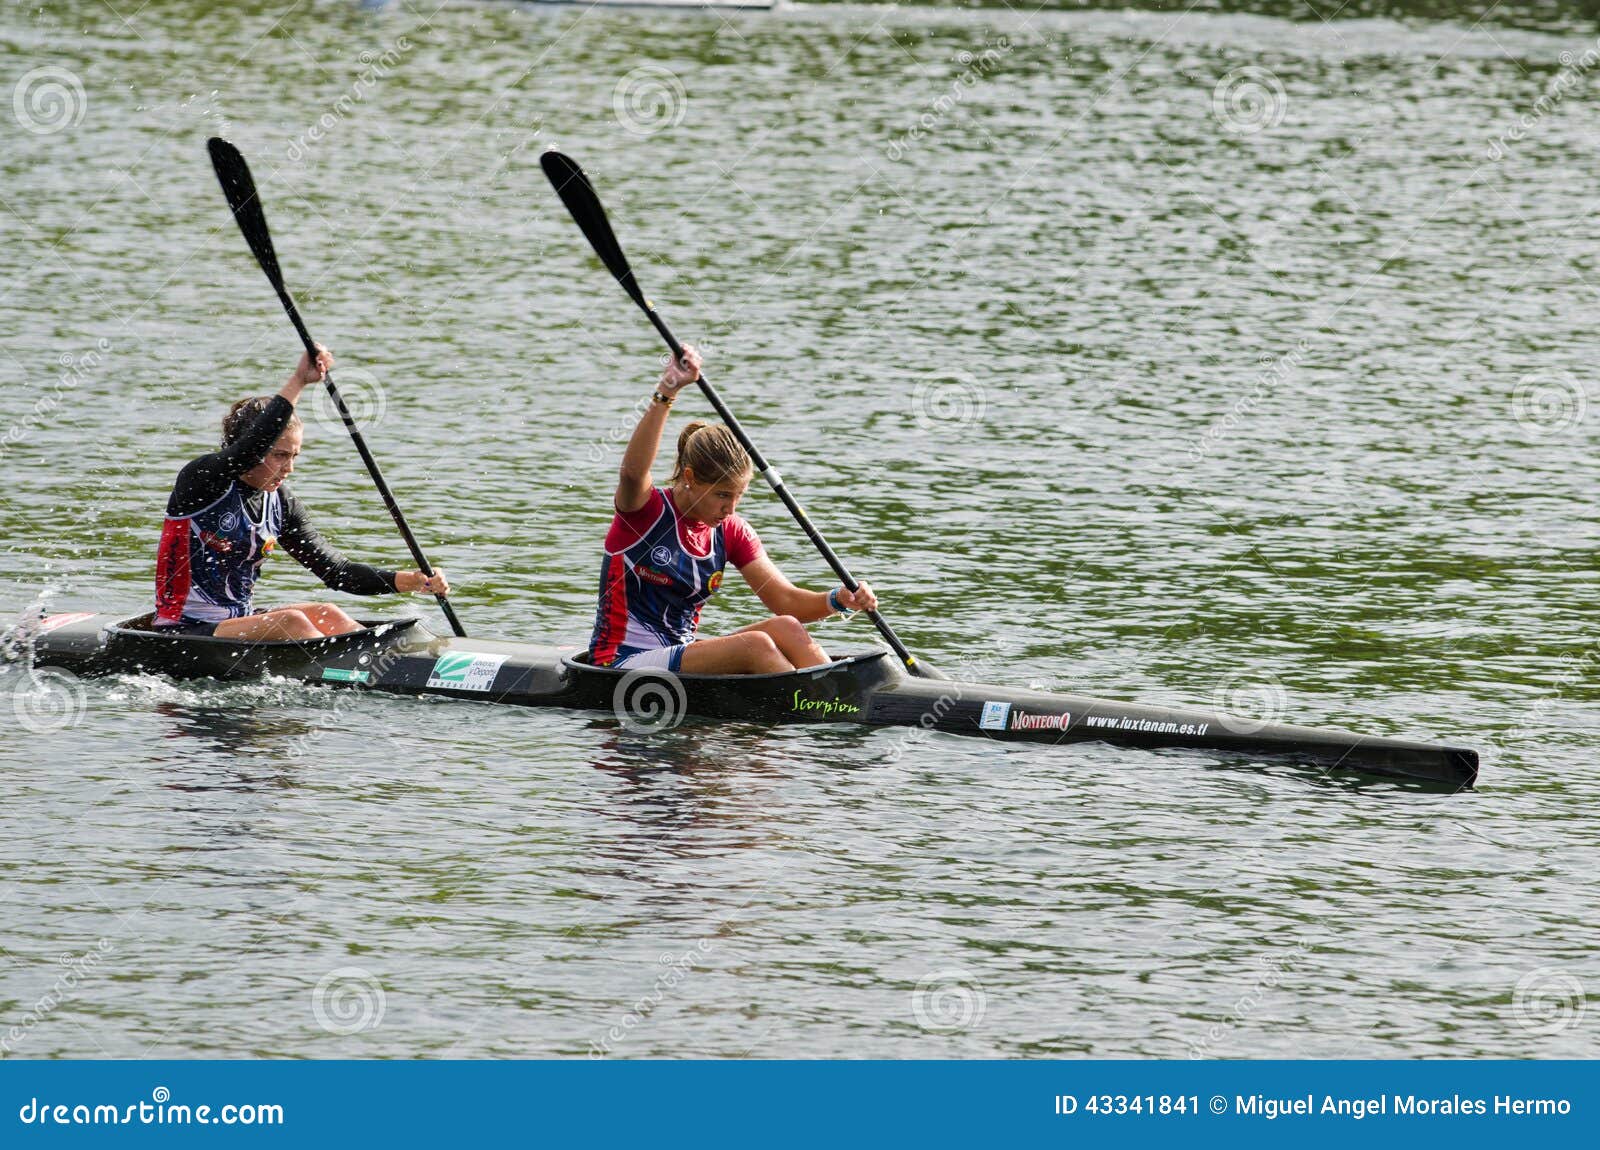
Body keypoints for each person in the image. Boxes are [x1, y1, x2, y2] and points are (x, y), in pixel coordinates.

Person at [588, 345, 876, 674]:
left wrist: (839, 598)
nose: (730, 509)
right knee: (756, 645)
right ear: (690, 478)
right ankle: (816, 711)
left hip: (680, 654)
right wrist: (668, 388)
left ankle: (833, 699)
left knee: (786, 628)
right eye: (723, 495)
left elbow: (784, 601)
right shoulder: (644, 512)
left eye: (739, 496)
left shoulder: (730, 530)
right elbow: (632, 473)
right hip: (621, 661)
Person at [153, 345, 449, 639]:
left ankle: (380, 664)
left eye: (294, 456)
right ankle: (347, 674)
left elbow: (337, 572)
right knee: (291, 621)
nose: (289, 468)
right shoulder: (203, 481)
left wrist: (412, 580)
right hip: (182, 631)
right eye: (280, 456)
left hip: (235, 624)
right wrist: (299, 381)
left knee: (327, 612)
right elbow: (250, 448)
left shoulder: (280, 503)